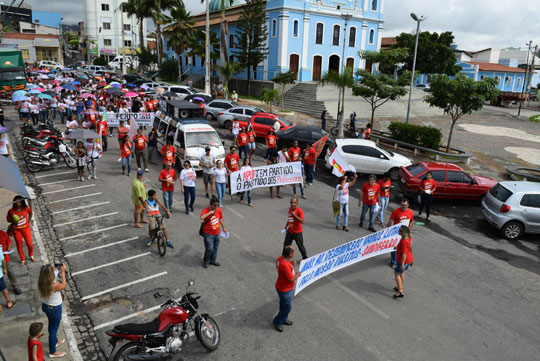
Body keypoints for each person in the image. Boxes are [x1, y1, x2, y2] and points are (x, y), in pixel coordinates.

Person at [38, 264, 66, 358]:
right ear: (50, 275)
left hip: (46, 306)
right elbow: (64, 285)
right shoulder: (54, 285)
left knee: (52, 325)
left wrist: (55, 269)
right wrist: (62, 271)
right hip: (55, 309)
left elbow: (50, 275)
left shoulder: (42, 281)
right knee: (53, 329)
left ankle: (55, 341)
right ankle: (52, 351)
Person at [272, 245, 301, 332]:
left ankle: (283, 319)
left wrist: (291, 263)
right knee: (288, 307)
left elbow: (280, 266)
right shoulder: (285, 265)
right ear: (289, 255)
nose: (294, 253)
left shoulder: (281, 258)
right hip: (285, 289)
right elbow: (291, 278)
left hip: (281, 286)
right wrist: (298, 275)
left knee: (283, 305)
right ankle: (278, 321)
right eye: (293, 252)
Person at [200, 197, 227, 268]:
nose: (216, 207)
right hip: (208, 234)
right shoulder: (206, 210)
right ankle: (206, 260)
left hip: (217, 233)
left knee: (215, 248)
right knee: (209, 248)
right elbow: (202, 217)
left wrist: (224, 227)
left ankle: (213, 260)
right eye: (215, 205)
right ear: (211, 205)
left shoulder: (218, 210)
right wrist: (210, 212)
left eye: (217, 205)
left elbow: (220, 219)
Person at [7, 195, 34, 266]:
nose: (17, 203)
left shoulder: (26, 208)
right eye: (16, 202)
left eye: (19, 202)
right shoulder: (11, 211)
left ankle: (31, 254)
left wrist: (29, 220)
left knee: (29, 244)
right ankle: (22, 259)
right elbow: (8, 219)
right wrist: (12, 220)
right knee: (19, 245)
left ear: (22, 202)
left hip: (26, 228)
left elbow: (30, 213)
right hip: (16, 230)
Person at [388, 198, 414, 268]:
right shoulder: (395, 211)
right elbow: (391, 220)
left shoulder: (411, 212)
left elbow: (412, 221)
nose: (403, 206)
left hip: (406, 234)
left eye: (405, 205)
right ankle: (393, 262)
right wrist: (389, 231)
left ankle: (408, 261)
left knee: (406, 247)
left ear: (408, 205)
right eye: (402, 205)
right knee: (394, 247)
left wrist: (409, 229)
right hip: (397, 233)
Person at [393, 226, 413, 299]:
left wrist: (402, 264)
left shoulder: (403, 241)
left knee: (397, 274)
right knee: (402, 273)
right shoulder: (409, 238)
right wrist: (397, 247)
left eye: (400, 230)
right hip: (409, 259)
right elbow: (409, 248)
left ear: (403, 233)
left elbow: (404, 254)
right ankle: (400, 286)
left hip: (402, 260)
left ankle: (400, 291)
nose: (398, 231)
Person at [0, 230, 22, 294]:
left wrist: (9, 247)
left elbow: (9, 241)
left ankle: (15, 286)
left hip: (5, 257)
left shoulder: (2, 233)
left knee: (10, 272)